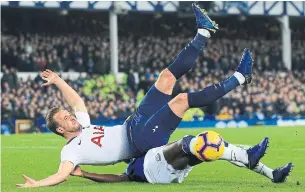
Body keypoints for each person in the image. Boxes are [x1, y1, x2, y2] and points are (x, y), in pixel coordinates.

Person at [17, 4, 258, 188]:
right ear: (60, 130)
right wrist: (38, 184)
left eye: (68, 115)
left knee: (166, 77)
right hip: (139, 140)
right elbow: (61, 174)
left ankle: (204, 32)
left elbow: (77, 101)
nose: (71, 117)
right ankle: (239, 78)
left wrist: (58, 81)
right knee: (182, 100)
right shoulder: (70, 152)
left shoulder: (85, 126)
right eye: (66, 119)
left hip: (133, 122)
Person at [70, 132, 292, 184]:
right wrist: (85, 173)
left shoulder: (136, 156)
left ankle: (271, 173)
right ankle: (248, 156)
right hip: (153, 170)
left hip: (169, 172)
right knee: (191, 143)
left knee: (211, 149)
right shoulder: (132, 168)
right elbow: (118, 178)